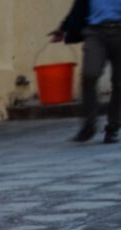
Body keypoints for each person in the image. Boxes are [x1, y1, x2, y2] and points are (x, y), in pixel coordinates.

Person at [50, 0, 121, 143]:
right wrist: (64, 28)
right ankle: (89, 124)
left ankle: (113, 127)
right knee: (89, 75)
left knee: (119, 83)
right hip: (95, 33)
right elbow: (78, 6)